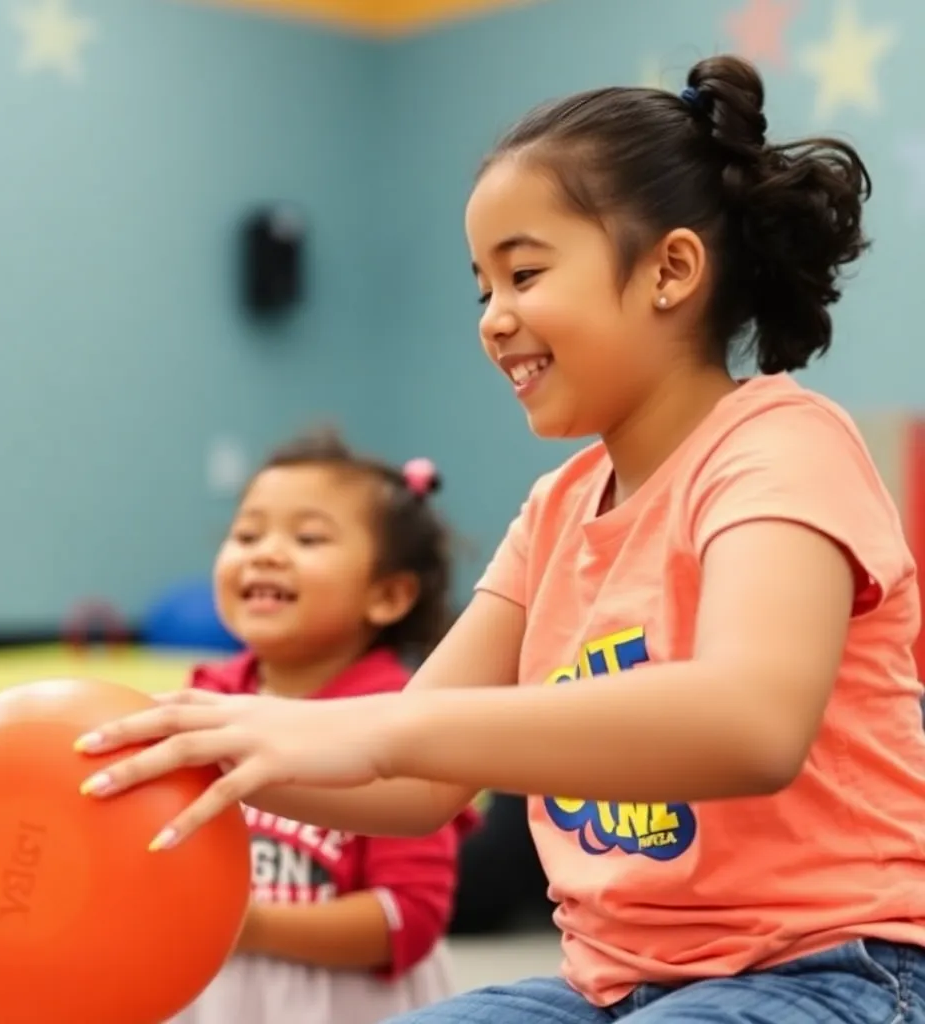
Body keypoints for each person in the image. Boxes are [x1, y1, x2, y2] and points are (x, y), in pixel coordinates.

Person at [76, 54, 925, 1022]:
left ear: (670, 270)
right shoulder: (556, 510)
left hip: (833, 969)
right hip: (609, 982)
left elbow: (750, 723)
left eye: (523, 273)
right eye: (481, 287)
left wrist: (371, 722)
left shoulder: (782, 447)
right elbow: (421, 784)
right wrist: (206, 763)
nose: (492, 319)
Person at [161, 429, 475, 1024]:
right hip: (217, 992)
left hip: (341, 1002)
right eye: (247, 534)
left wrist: (251, 926)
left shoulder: (397, 720)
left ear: (386, 596)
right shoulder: (206, 698)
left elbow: (407, 916)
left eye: (307, 538)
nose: (266, 553)